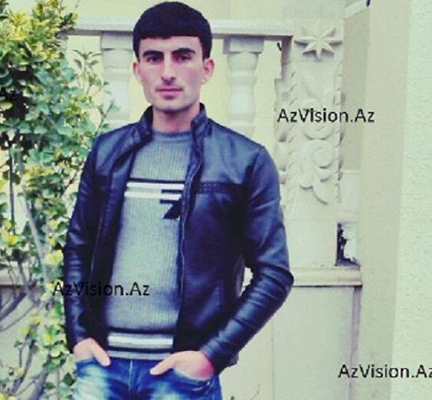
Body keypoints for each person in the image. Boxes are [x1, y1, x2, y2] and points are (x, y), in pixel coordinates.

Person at [62, 2, 293, 399]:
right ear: (138, 70)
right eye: (154, 58)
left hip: (181, 377)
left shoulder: (245, 161)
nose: (167, 72)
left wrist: (210, 355)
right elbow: (77, 248)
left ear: (207, 68)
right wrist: (79, 336)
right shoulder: (107, 153)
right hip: (102, 370)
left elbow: (274, 275)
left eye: (183, 56)